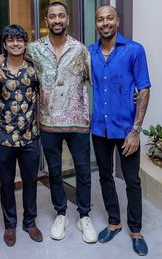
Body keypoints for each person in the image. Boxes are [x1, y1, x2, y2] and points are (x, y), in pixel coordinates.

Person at [0, 1, 97, 243]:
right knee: (55, 172)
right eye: (52, 16)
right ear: (47, 21)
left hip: (78, 123)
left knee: (83, 171)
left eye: (61, 16)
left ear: (67, 19)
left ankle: (84, 215)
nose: (57, 20)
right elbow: (9, 52)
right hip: (48, 124)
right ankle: (61, 213)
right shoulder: (34, 48)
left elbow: (97, 80)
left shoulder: (81, 50)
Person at [88, 5, 150, 256]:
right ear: (96, 24)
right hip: (99, 128)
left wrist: (136, 130)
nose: (105, 23)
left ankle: (136, 230)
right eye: (100, 19)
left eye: (109, 18)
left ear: (117, 21)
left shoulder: (134, 50)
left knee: (132, 180)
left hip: (126, 129)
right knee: (104, 176)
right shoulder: (89, 52)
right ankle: (114, 222)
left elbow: (144, 89)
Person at [0, 24, 43, 247]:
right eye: (11, 40)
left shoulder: (34, 69)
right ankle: (10, 225)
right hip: (3, 137)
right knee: (6, 184)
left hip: (30, 136)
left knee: (31, 182)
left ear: (25, 43)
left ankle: (29, 222)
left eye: (19, 40)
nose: (15, 43)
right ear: (4, 44)